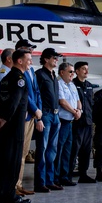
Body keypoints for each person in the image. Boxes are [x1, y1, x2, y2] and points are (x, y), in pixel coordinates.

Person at [0, 48, 32, 203]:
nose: (30, 62)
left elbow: (1, 101)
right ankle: (9, 195)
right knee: (13, 160)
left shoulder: (6, 77)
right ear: (19, 61)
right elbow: (14, 102)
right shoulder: (20, 78)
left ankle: (0, 194)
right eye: (28, 59)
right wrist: (5, 119)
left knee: (2, 159)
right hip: (13, 125)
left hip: (3, 126)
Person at [13, 40, 42, 196]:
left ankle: (19, 184)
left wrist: (38, 112)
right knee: (19, 153)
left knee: (24, 153)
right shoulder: (18, 70)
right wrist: (35, 108)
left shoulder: (30, 70)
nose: (31, 51)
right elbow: (25, 94)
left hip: (32, 115)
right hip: (25, 114)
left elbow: (36, 92)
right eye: (28, 49)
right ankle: (14, 185)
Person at [34, 47, 63, 191]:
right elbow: (36, 96)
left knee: (52, 150)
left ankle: (49, 180)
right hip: (44, 115)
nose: (56, 60)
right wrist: (37, 118)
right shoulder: (39, 75)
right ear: (46, 59)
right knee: (43, 149)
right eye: (54, 57)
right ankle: (40, 182)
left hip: (55, 115)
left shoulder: (53, 76)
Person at [54, 62, 80, 186]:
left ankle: (65, 176)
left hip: (70, 121)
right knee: (59, 149)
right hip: (62, 121)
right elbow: (62, 102)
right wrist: (74, 112)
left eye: (73, 72)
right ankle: (56, 177)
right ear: (62, 72)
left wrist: (79, 110)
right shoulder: (58, 84)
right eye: (70, 71)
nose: (72, 74)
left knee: (67, 151)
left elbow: (78, 100)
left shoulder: (72, 85)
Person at [72, 62, 97, 183]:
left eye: (87, 69)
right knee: (74, 149)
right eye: (83, 69)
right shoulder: (72, 85)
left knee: (86, 150)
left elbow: (91, 104)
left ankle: (83, 174)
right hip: (76, 122)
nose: (86, 71)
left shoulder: (89, 85)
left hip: (87, 122)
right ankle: (67, 173)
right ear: (77, 71)